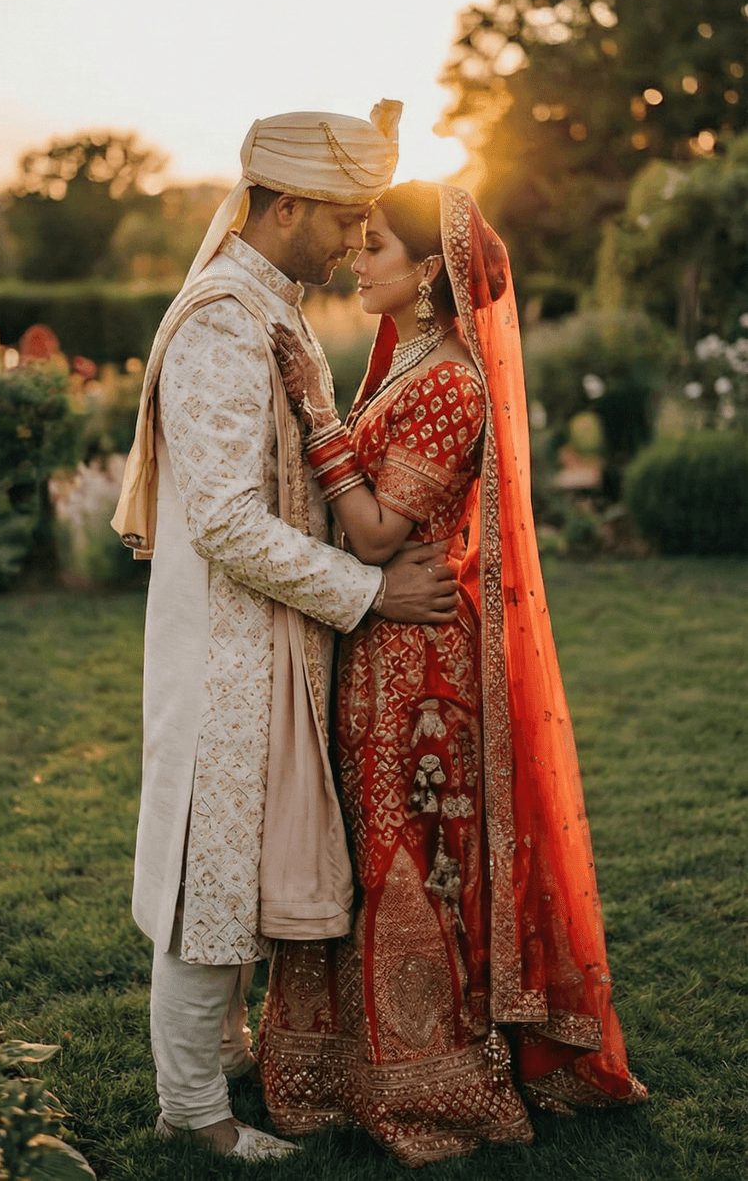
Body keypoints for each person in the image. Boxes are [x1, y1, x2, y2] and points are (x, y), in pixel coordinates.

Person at [259, 180, 646, 1167]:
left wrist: (316, 412)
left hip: (419, 665)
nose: (358, 258)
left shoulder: (448, 382)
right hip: (382, 641)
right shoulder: (407, 363)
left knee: (410, 860)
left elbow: (378, 531)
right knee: (369, 846)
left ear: (429, 268)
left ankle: (432, 1073)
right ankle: (346, 1063)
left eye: (377, 244)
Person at [110, 109, 460, 1161]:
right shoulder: (224, 319)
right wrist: (369, 591)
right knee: (207, 871)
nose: (356, 239)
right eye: (346, 217)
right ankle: (193, 1112)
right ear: (288, 205)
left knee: (241, 861)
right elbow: (224, 521)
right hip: (226, 647)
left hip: (273, 639)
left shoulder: (275, 305)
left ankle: (221, 1062)